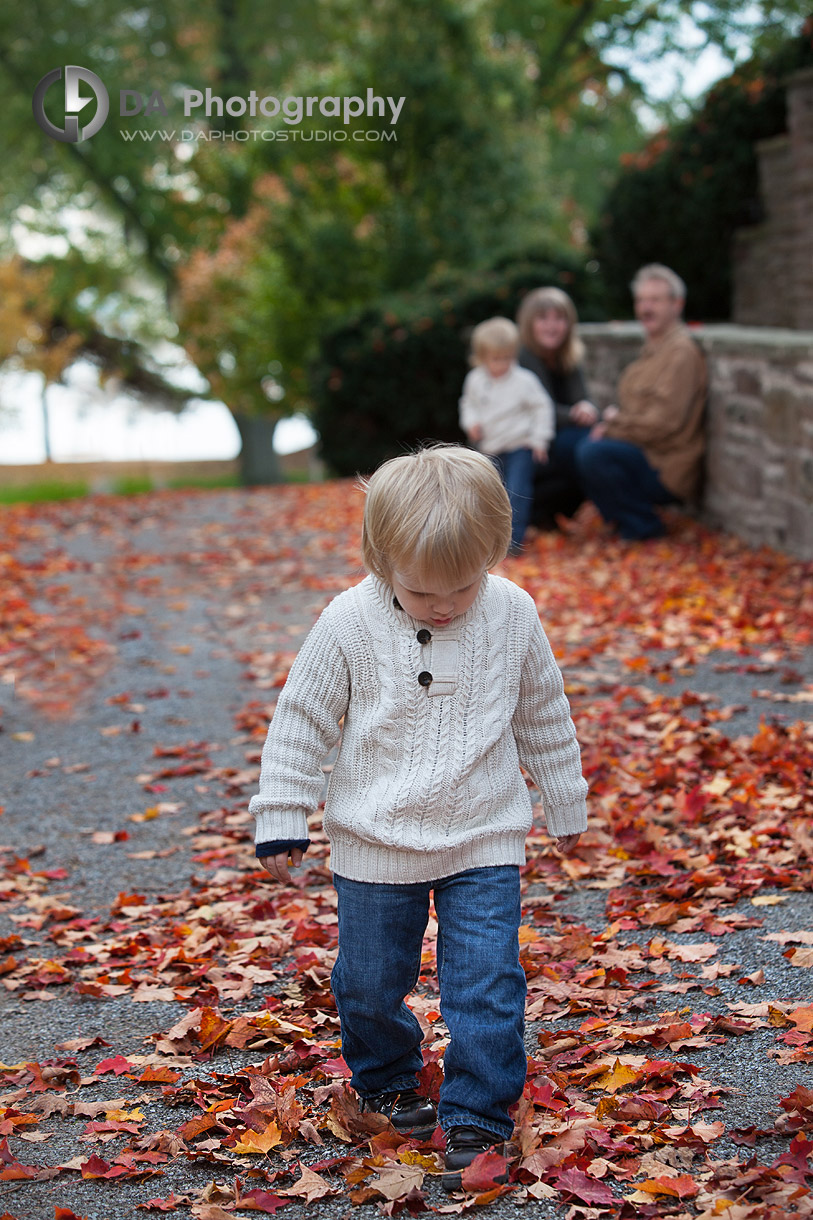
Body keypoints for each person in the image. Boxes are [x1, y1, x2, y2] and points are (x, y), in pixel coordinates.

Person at [249, 445, 588, 1191]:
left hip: (482, 834)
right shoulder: (347, 622)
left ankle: (477, 1111)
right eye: (420, 590)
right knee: (368, 982)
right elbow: (302, 718)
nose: (443, 606)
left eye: (462, 586)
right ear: (380, 561)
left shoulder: (513, 614)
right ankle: (388, 1079)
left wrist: (564, 800)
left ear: (492, 555)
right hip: (374, 840)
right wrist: (282, 810)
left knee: (485, 983)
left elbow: (542, 712)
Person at [575, 264, 707, 540]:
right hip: (642, 451)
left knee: (593, 453)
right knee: (576, 443)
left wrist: (611, 426)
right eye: (641, 300)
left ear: (677, 304)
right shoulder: (651, 351)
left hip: (665, 465)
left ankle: (643, 526)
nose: (646, 308)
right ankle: (623, 520)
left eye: (655, 300)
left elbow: (664, 424)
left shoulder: (681, 354)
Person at [458, 317, 555, 553]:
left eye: (507, 358)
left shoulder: (524, 381)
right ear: (482, 357)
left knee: (517, 492)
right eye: (495, 359)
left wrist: (539, 439)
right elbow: (468, 405)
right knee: (487, 494)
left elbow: (542, 408)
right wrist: (471, 423)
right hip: (490, 448)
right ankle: (487, 540)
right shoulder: (476, 380)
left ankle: (513, 543)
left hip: (519, 446)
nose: (502, 364)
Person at [517, 287, 599, 527]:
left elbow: (582, 399)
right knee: (581, 449)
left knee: (588, 446)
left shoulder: (568, 357)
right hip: (531, 443)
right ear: (529, 323)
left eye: (559, 318)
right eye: (543, 318)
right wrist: (576, 414)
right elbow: (540, 411)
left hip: (558, 440)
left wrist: (588, 408)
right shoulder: (524, 358)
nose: (552, 326)